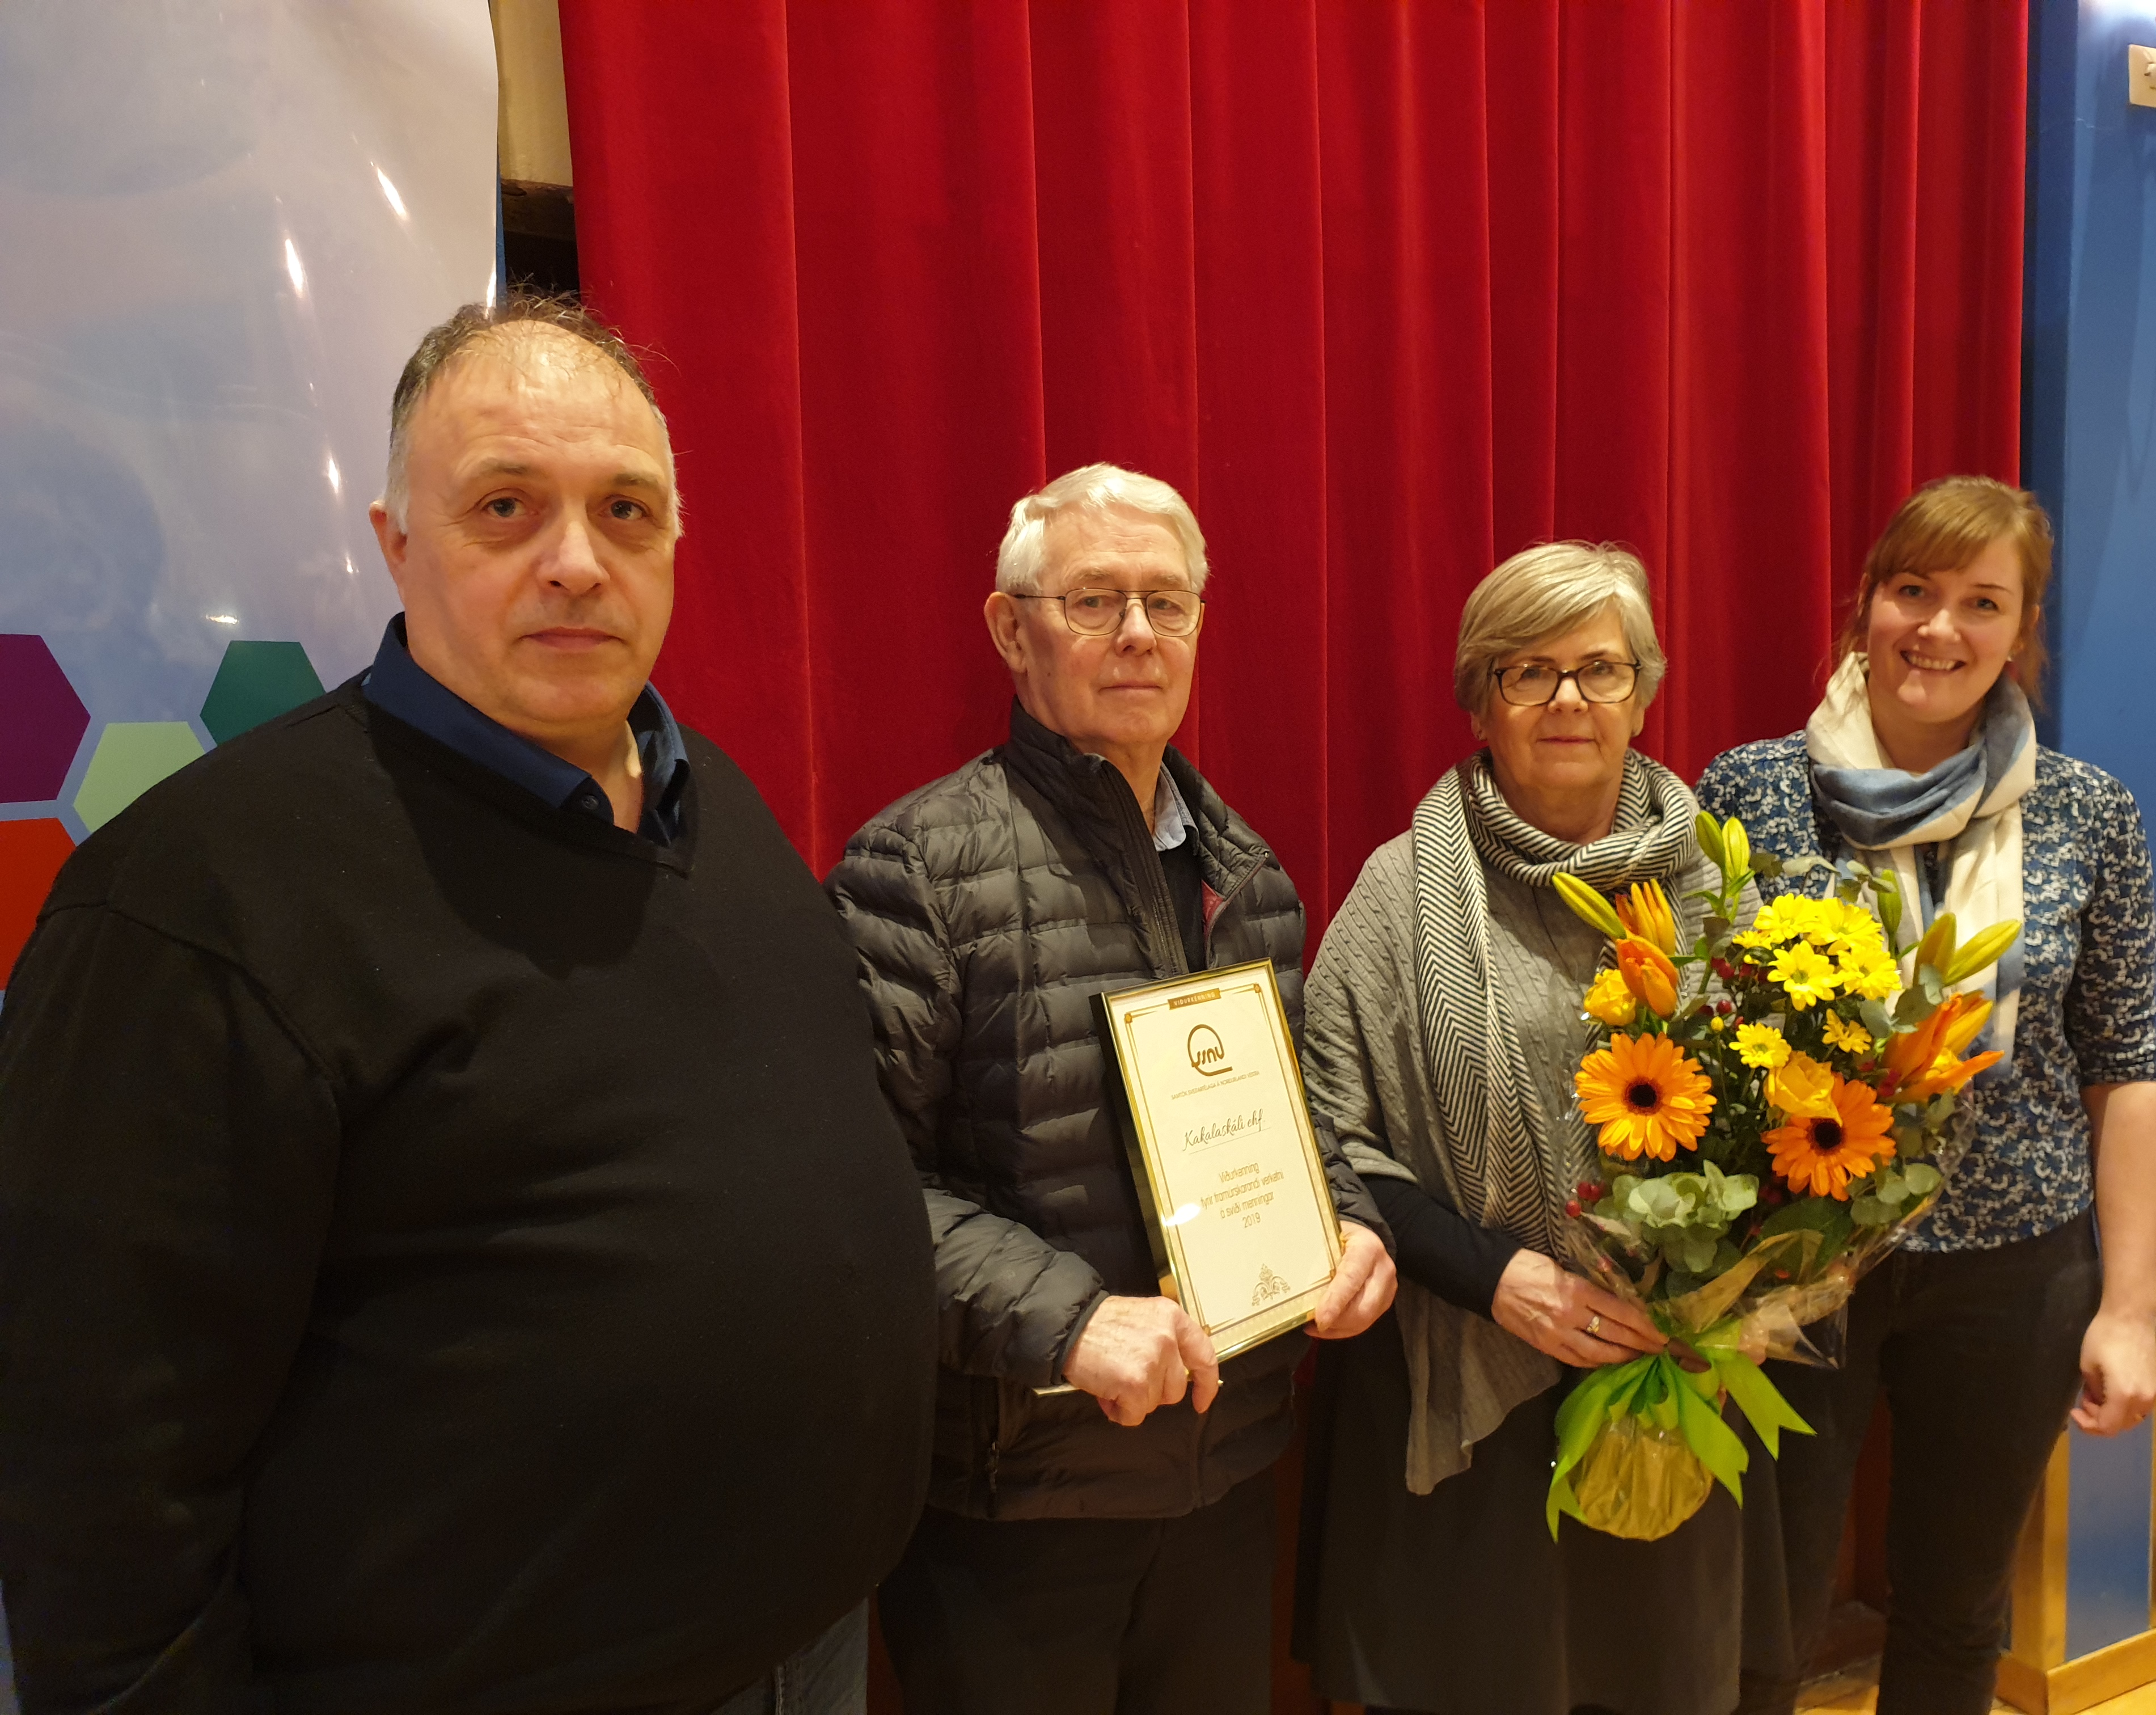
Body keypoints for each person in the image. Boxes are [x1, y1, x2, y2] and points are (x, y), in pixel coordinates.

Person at [0, 295, 936, 1715]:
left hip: (811, 1650)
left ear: (677, 544)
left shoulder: (722, 810)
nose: (577, 561)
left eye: (626, 511)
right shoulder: (199, 902)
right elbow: (97, 1472)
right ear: (394, 543)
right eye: (508, 506)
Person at [826, 462, 1398, 1715]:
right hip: (1020, 1496)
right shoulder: (913, 867)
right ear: (1010, 628)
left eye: (1167, 602)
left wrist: (1347, 1222)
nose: (1139, 633)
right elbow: (852, 1190)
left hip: (1227, 1469)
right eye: (1093, 600)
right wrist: (1071, 1320)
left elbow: (1294, 1112)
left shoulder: (1247, 868)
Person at [1699, 475, 2156, 1715]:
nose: (1939, 629)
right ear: (1866, 607)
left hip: (2017, 1265)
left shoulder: (2090, 816)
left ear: (2023, 633)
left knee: (1959, 1609)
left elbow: (2126, 1075)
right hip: (1796, 1266)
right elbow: (1695, 1041)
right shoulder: (1748, 792)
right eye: (1914, 590)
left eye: (1982, 602)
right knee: (1766, 1609)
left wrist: (2129, 1309)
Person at [1294, 541, 1779, 1715]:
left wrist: (1755, 1286)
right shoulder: (1397, 892)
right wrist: (1497, 1278)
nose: (1569, 700)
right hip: (1474, 1380)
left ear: (1645, 690)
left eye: (1600, 669)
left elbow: (1796, 1109)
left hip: (1675, 1382)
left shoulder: (1722, 885)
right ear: (1481, 700)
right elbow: (1334, 1144)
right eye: (1529, 671)